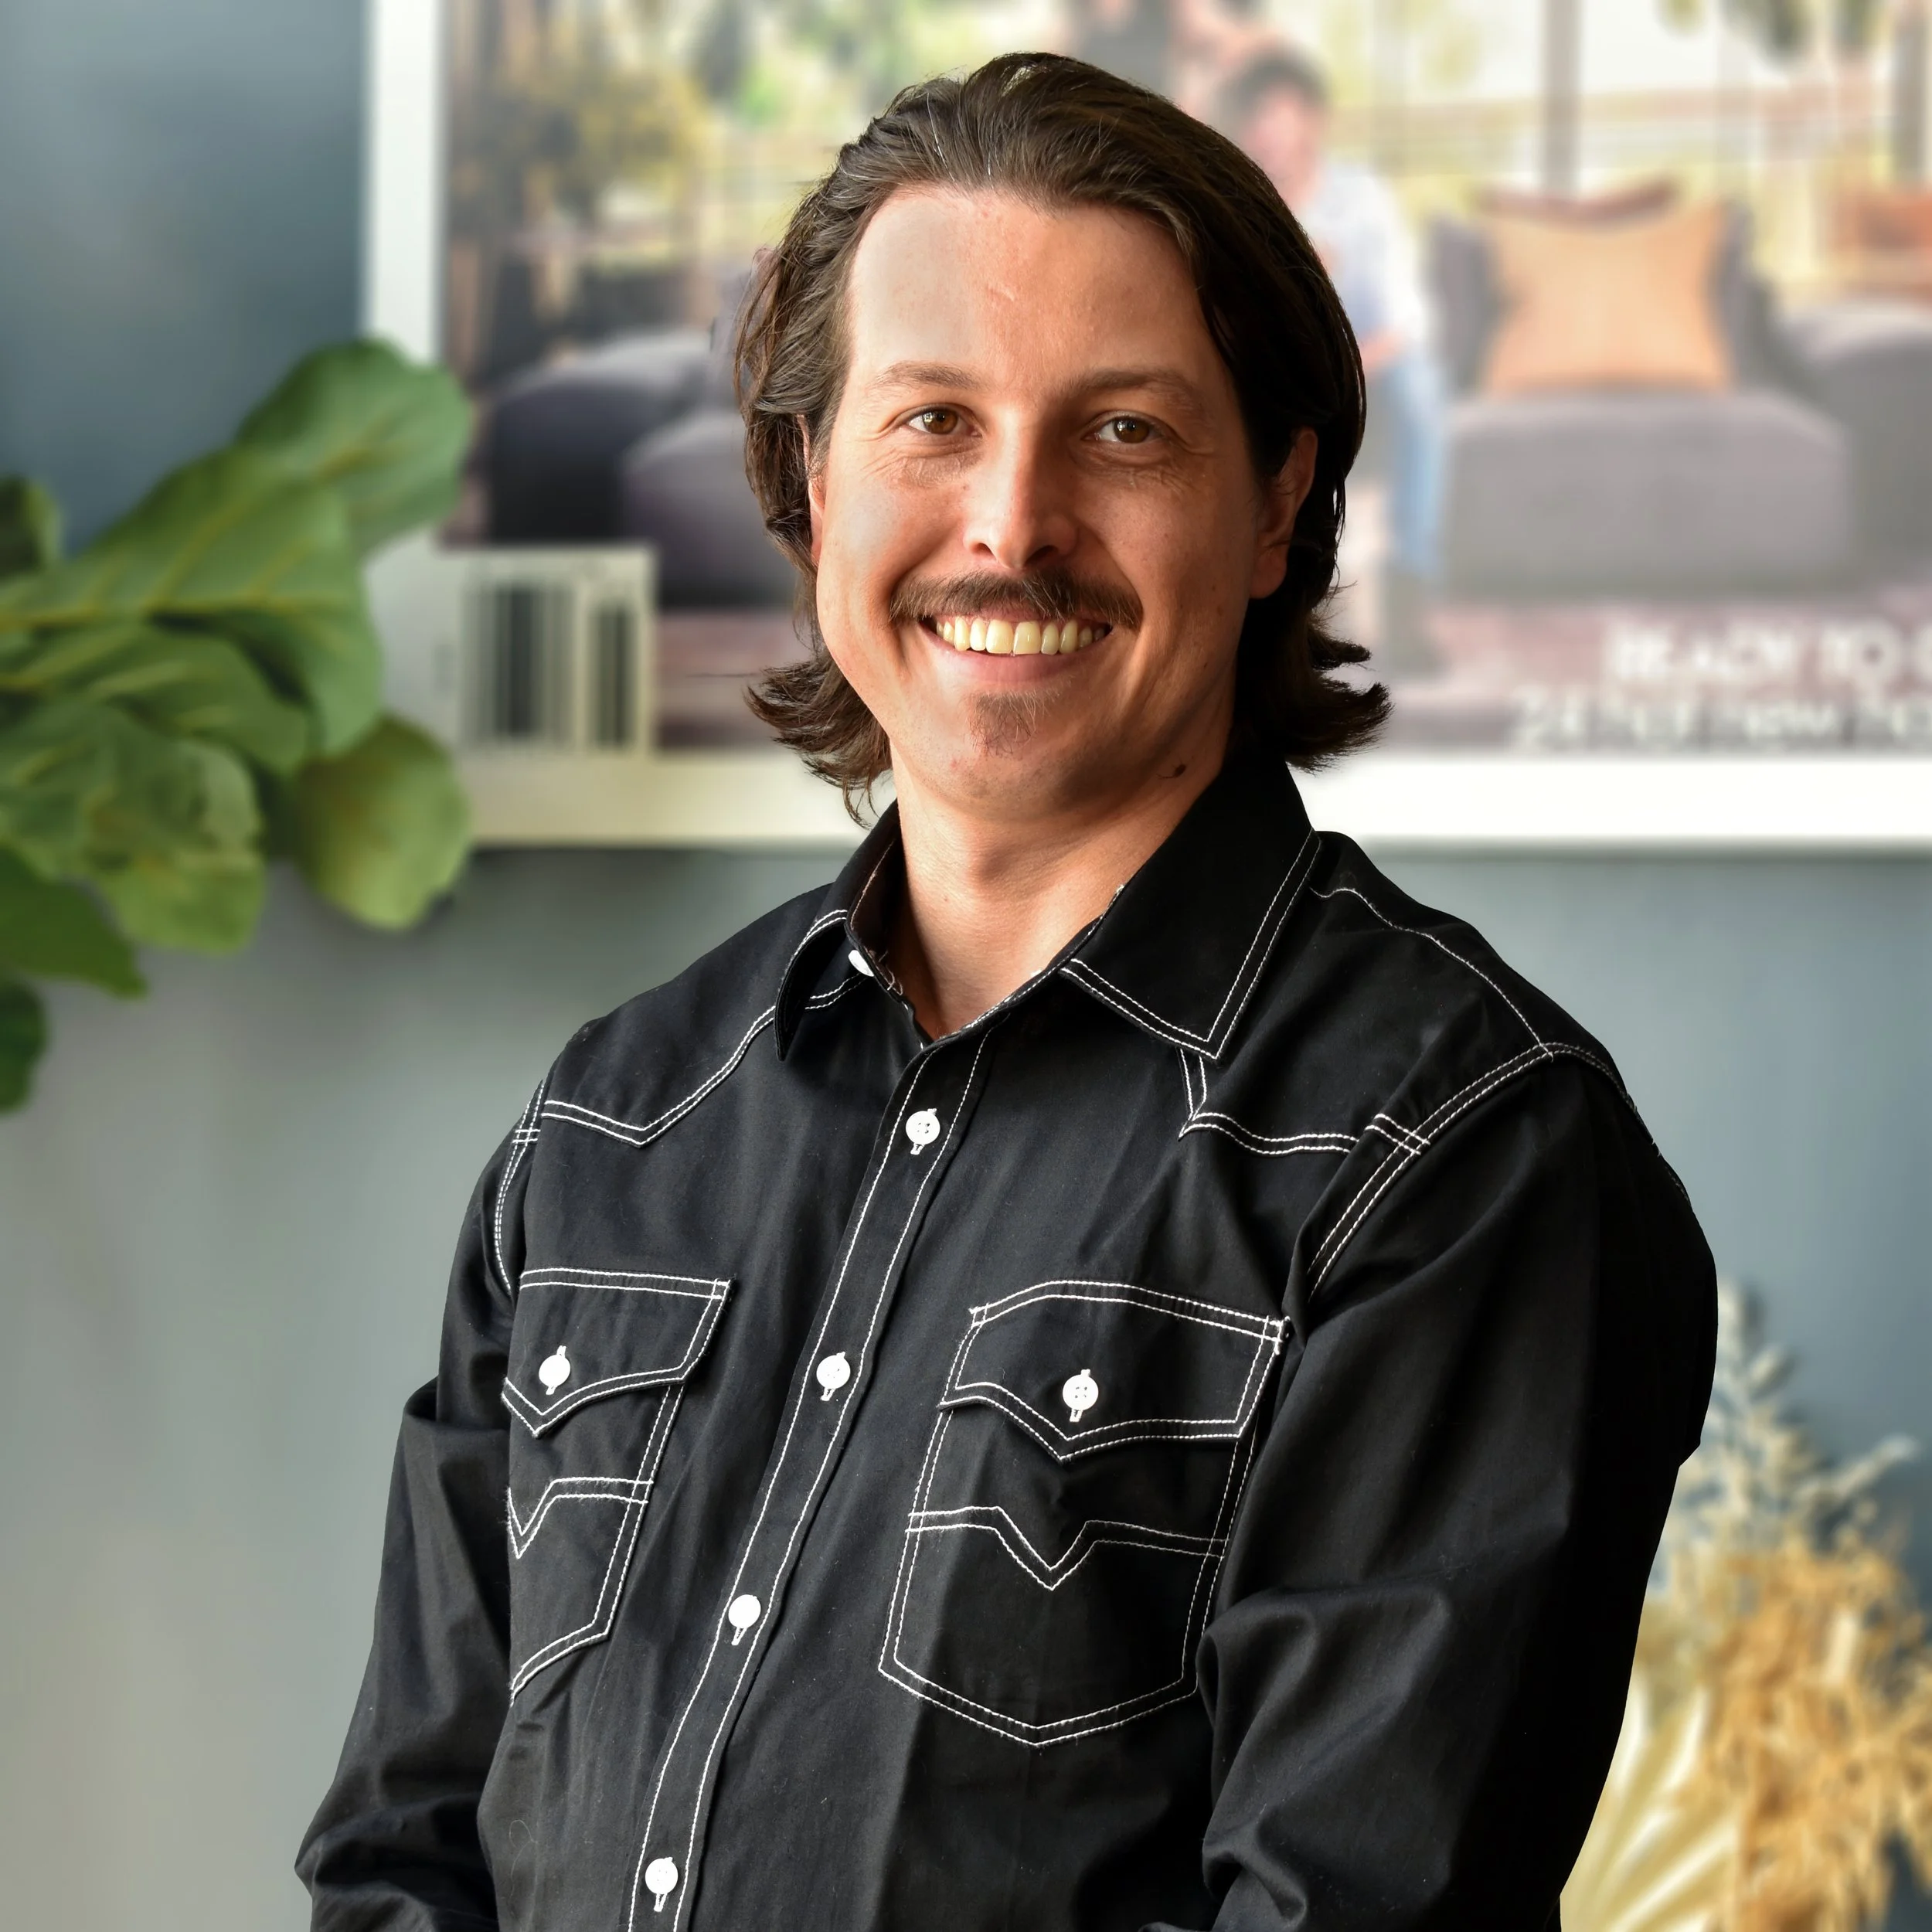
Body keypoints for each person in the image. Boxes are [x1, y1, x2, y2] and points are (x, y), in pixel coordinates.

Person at [299, 54, 1716, 1932]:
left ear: (1279, 500)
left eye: (1122, 432)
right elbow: (406, 1857)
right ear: (811, 484)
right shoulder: (616, 1122)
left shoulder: (1447, 1154)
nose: (1012, 522)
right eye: (932, 422)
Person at [1223, 47, 1447, 665]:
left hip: (1372, 365)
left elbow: (1407, 320)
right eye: (1258, 118)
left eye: (1283, 114)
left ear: (1314, 121)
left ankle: (1410, 591)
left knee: (1423, 391)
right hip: (1281, 370)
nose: (1270, 131)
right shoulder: (1240, 207)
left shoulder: (1362, 199)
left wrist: (1350, 367)